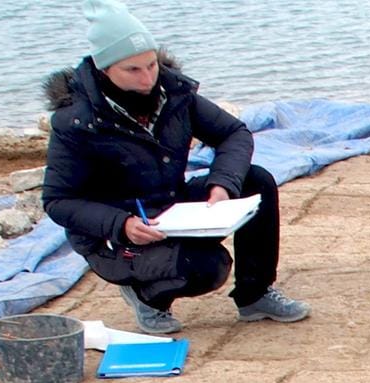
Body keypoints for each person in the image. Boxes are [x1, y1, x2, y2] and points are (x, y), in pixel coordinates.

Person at [42, 0, 309, 334]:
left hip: (169, 200)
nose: (148, 78)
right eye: (133, 70)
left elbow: (233, 133)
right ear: (104, 69)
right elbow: (57, 201)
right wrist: (121, 224)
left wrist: (222, 183)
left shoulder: (174, 92)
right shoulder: (76, 121)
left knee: (256, 181)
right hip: (117, 229)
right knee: (206, 267)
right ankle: (147, 297)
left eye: (151, 64)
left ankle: (255, 295)